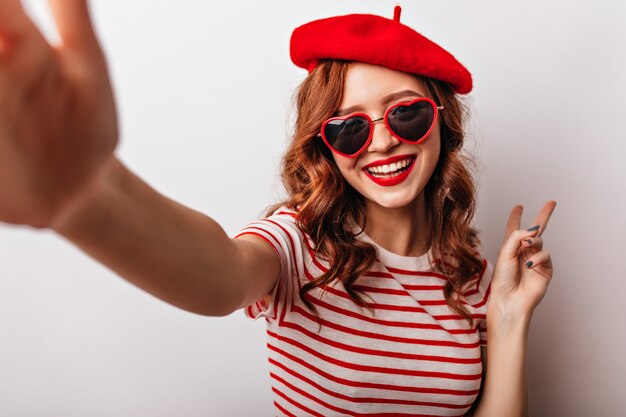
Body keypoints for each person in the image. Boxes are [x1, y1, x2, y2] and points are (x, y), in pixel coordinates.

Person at [0, 1, 556, 416]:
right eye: (349, 127)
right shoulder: (299, 243)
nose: (383, 142)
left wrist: (508, 316)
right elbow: (219, 273)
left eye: (405, 114)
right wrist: (88, 199)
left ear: (442, 120)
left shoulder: (474, 277)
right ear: (325, 146)